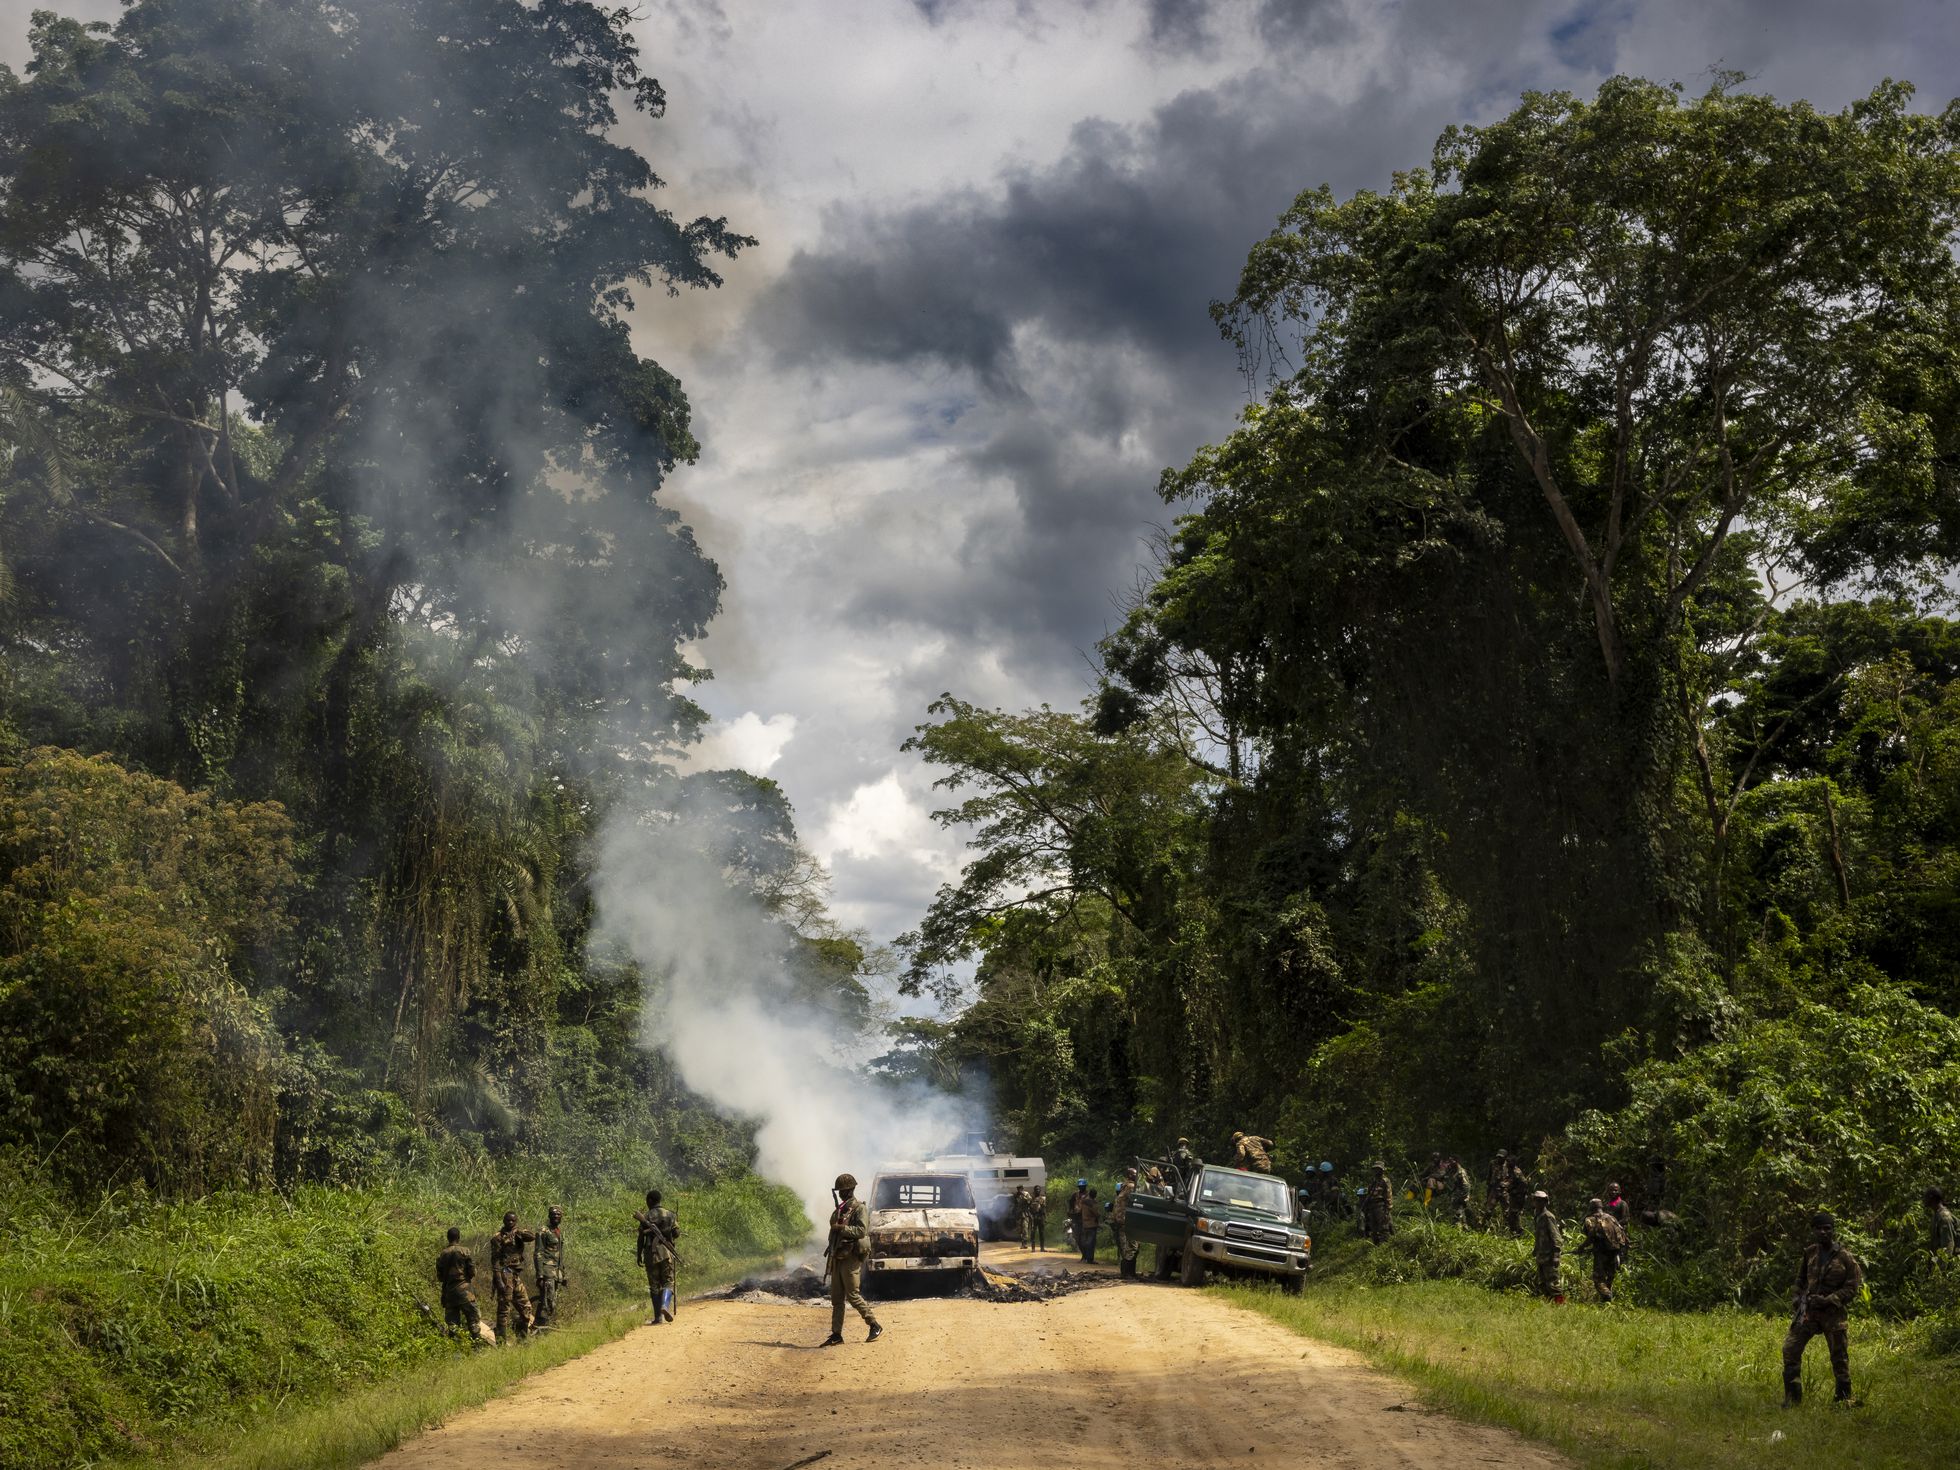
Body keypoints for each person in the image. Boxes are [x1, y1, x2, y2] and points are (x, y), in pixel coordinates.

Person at [1783, 1210, 1863, 1406]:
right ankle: (1793, 1399)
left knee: (1839, 1357)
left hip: (1833, 1314)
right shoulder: (1809, 1252)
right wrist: (1797, 1298)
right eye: (1819, 1229)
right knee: (1790, 1349)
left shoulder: (1845, 1257)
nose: (1823, 1233)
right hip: (1809, 1312)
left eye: (1827, 1229)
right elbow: (1800, 1280)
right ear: (1814, 1231)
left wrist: (1830, 1299)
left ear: (1833, 1231)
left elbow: (1853, 1287)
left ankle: (1842, 1399)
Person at [822, 1173, 882, 1346]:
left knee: (853, 1295)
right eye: (839, 1191)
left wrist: (841, 1228)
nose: (840, 1194)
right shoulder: (841, 1209)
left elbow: (861, 1231)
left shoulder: (859, 1208)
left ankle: (874, 1324)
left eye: (843, 1191)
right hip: (838, 1256)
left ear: (850, 1190)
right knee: (837, 1298)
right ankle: (836, 1334)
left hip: (851, 1256)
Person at [436, 1226, 489, 1344]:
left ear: (448, 1238)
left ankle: (456, 1349)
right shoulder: (465, 1251)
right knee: (473, 1319)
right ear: (459, 1237)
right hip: (465, 1291)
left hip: (449, 1292)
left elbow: (439, 1277)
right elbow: (472, 1272)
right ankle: (476, 1346)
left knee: (453, 1324)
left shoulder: (442, 1254)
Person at [489, 1211, 537, 1341]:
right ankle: (501, 1341)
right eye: (508, 1220)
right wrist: (498, 1280)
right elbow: (495, 1261)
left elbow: (532, 1237)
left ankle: (521, 1338)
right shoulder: (497, 1238)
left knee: (526, 1308)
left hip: (515, 1276)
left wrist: (518, 1233)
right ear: (504, 1221)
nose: (510, 1223)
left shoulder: (518, 1234)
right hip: (505, 1275)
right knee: (504, 1310)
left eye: (513, 1221)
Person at [635, 1189, 680, 1325]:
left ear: (649, 1201)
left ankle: (657, 1318)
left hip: (651, 1254)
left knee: (654, 1286)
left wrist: (639, 1255)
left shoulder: (646, 1216)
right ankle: (665, 1306)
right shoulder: (670, 1214)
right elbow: (676, 1233)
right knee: (668, 1282)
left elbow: (641, 1237)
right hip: (666, 1253)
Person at [1581, 1197, 1626, 1303]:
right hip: (1614, 1252)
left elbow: (1590, 1237)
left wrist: (1581, 1247)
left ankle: (1607, 1295)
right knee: (1609, 1278)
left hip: (1601, 1253)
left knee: (1598, 1280)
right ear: (1601, 1207)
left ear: (1591, 1207)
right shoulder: (1612, 1218)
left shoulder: (1590, 1220)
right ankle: (1606, 1303)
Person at [534, 1204, 566, 1327]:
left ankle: (542, 1327)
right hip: (547, 1272)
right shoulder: (543, 1231)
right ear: (549, 1216)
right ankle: (540, 1328)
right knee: (547, 1302)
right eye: (553, 1214)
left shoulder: (558, 1231)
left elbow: (560, 1255)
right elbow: (538, 1253)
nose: (556, 1216)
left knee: (551, 1302)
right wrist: (540, 1275)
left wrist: (563, 1274)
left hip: (556, 1273)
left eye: (558, 1214)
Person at [1530, 1191, 1562, 1299]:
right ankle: (1550, 1305)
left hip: (1550, 1256)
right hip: (1541, 1254)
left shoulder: (1548, 1216)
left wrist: (1556, 1255)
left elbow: (1556, 1237)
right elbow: (1539, 1235)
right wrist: (1536, 1249)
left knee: (1553, 1284)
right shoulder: (1537, 1215)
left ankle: (1560, 1305)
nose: (1538, 1203)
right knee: (1543, 1283)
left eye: (1541, 1201)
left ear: (1545, 1202)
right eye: (1536, 1200)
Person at [1110, 1167, 1139, 1277]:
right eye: (1135, 1174)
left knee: (1127, 1246)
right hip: (1127, 1220)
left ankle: (1127, 1272)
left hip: (1121, 1220)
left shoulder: (1123, 1186)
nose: (1137, 1176)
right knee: (1132, 1247)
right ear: (1130, 1176)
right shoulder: (1131, 1187)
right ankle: (1128, 1273)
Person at [1362, 1163, 1394, 1244]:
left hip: (1381, 1206)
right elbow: (1369, 1194)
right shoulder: (1374, 1181)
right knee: (1374, 1228)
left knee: (1383, 1227)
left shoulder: (1385, 1180)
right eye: (1375, 1169)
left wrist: (1388, 1207)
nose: (1376, 1171)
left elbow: (1388, 1194)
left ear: (1382, 1170)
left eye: (1378, 1169)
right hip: (1372, 1206)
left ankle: (1385, 1245)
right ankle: (1376, 1245)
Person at [1441, 1156, 1472, 1227]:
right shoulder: (1454, 1170)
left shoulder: (1461, 1172)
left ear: (1456, 1161)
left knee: (1458, 1212)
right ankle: (1464, 1227)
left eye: (1451, 1161)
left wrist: (1461, 1197)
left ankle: (1458, 1227)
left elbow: (1466, 1186)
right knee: (1459, 1211)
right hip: (1458, 1193)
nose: (1450, 1163)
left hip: (1462, 1195)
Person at [1926, 1187, 1957, 1258]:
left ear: (1933, 1199)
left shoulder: (1944, 1217)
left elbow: (1948, 1245)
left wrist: (1942, 1268)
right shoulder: (1937, 1215)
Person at [1077, 1186, 1103, 1264]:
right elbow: (1096, 1214)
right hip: (1092, 1225)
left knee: (1085, 1242)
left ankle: (1085, 1257)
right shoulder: (1092, 1203)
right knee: (1091, 1243)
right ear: (1095, 1195)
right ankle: (1090, 1259)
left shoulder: (1083, 1202)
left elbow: (1079, 1211)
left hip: (1084, 1224)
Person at [1011, 1183, 1033, 1248]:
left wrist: (1024, 1197)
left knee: (1025, 1228)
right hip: (1018, 1214)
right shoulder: (1016, 1195)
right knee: (1019, 1230)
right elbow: (1015, 1204)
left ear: (1022, 1188)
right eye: (1018, 1189)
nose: (1019, 1190)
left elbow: (1030, 1201)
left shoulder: (1026, 1194)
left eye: (1020, 1188)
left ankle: (1025, 1243)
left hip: (1025, 1214)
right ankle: (1022, 1242)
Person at [1030, 1185, 1049, 1250]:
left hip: (1041, 1218)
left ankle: (1042, 1248)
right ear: (1034, 1191)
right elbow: (1029, 1208)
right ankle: (1033, 1248)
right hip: (1034, 1218)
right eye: (1036, 1189)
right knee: (1033, 1233)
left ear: (1040, 1190)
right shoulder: (1031, 1199)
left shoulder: (1042, 1199)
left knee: (1042, 1233)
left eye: (1038, 1189)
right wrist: (1031, 1216)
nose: (1037, 1190)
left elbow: (1044, 1209)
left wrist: (1044, 1217)